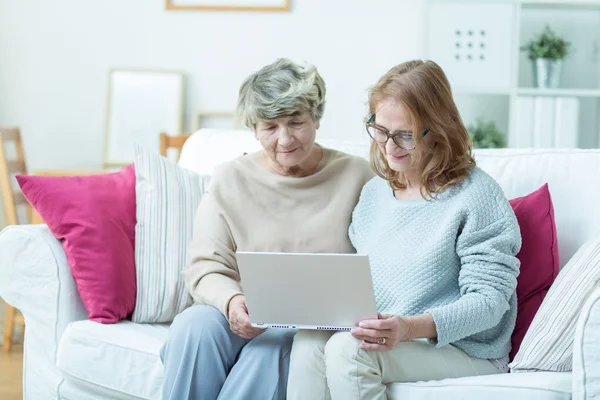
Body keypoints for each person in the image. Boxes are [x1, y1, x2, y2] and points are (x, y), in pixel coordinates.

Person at [287, 59, 522, 400]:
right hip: (391, 338)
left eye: (405, 136)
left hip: (464, 349)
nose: (389, 146)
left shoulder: (477, 195)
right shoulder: (374, 193)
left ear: (438, 130)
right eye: (380, 130)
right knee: (309, 341)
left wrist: (410, 327)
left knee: (348, 350)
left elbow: (489, 303)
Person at [159, 58, 374, 400]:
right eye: (270, 127)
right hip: (247, 309)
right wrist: (232, 301)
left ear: (316, 119)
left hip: (316, 323)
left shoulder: (358, 176)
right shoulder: (230, 178)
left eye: (296, 122)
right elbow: (205, 267)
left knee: (270, 351)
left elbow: (381, 262)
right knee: (192, 327)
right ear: (254, 129)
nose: (285, 138)